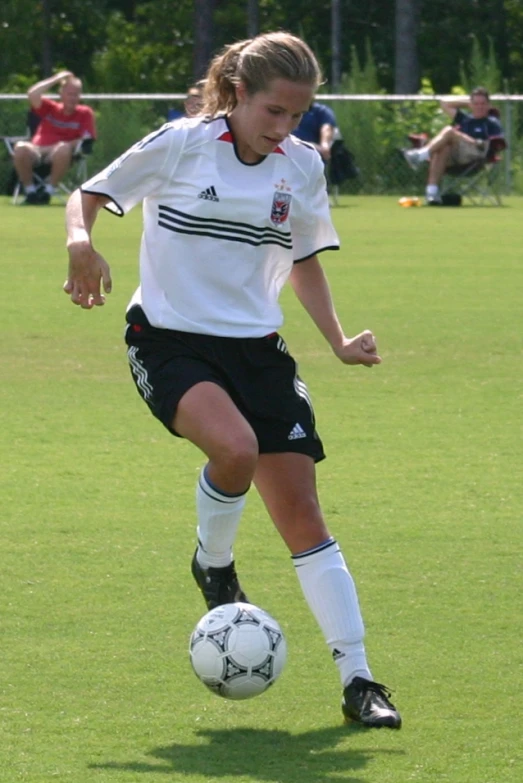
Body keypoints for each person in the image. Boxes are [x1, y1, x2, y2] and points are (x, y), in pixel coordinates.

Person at [63, 31, 401, 730]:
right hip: (169, 339)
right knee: (236, 448)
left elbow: (303, 258)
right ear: (240, 94)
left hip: (257, 349)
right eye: (274, 111)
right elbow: (87, 194)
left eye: (298, 115)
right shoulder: (183, 143)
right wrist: (79, 240)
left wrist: (336, 339)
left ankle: (359, 678)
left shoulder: (301, 165)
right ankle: (213, 563)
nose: (285, 127)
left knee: (304, 517)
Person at [402, 86, 503, 205]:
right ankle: (432, 194)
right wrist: (468, 103)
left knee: (449, 130)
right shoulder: (465, 119)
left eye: (483, 104)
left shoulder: (491, 122)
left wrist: (465, 139)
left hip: (476, 155)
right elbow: (444, 103)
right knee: (443, 147)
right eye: (476, 104)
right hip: (456, 156)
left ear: (488, 105)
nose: (479, 107)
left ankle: (421, 155)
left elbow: (492, 144)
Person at [13, 70, 96, 206]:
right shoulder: (50, 108)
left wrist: (58, 147)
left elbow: (86, 140)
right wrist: (57, 78)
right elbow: (32, 94)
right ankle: (30, 192)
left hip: (60, 154)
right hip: (37, 150)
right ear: (61, 94)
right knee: (20, 147)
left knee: (63, 148)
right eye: (69, 94)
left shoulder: (85, 113)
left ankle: (48, 192)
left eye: (76, 94)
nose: (73, 98)